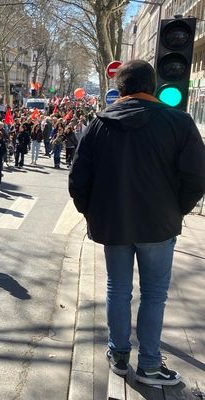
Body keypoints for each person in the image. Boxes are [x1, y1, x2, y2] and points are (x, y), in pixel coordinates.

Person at [69, 60, 205, 386]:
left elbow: (78, 181)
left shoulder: (99, 124)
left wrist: (93, 213)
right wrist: (178, 210)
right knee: (154, 295)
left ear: (121, 87)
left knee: (118, 290)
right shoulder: (180, 122)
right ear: (153, 86)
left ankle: (118, 354)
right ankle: (149, 364)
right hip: (159, 224)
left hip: (114, 223)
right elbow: (197, 177)